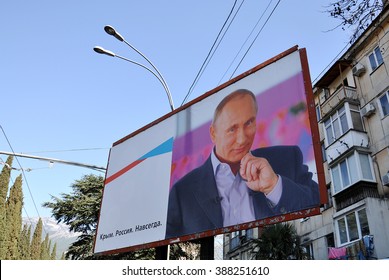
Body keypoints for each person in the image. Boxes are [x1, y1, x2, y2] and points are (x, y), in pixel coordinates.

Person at [165, 89, 320, 239]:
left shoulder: (286, 159)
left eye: (249, 123)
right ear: (213, 133)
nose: (242, 139)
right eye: (232, 129)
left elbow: (318, 203)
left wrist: (274, 186)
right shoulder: (182, 192)